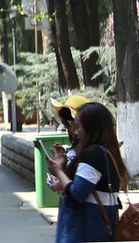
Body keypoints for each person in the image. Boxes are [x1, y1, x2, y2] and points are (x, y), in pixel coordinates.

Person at [46, 102, 126, 242]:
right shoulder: (107, 151)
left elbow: (78, 192)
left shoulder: (93, 153)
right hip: (97, 227)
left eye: (78, 127)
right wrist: (64, 168)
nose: (75, 132)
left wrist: (58, 171)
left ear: (91, 128)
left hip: (86, 229)